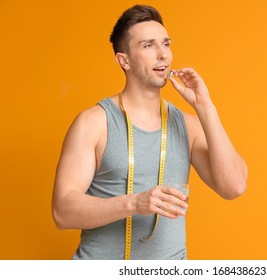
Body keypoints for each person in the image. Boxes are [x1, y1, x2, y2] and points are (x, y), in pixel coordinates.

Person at [52, 4, 248, 260]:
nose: (163, 55)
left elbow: (233, 186)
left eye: (166, 44)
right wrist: (134, 203)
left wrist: (206, 108)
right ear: (124, 60)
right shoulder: (94, 123)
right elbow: (62, 212)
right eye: (148, 46)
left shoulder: (188, 125)